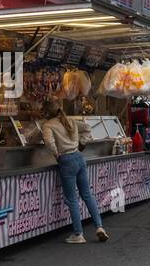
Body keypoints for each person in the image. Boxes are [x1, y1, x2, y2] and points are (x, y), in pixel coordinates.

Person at [41, 99, 107, 245]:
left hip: (66, 160)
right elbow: (88, 128)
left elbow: (49, 142)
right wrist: (81, 143)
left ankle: (78, 234)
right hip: (79, 157)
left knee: (72, 199)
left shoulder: (48, 125)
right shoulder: (69, 121)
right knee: (87, 195)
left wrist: (57, 154)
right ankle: (99, 227)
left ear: (46, 112)